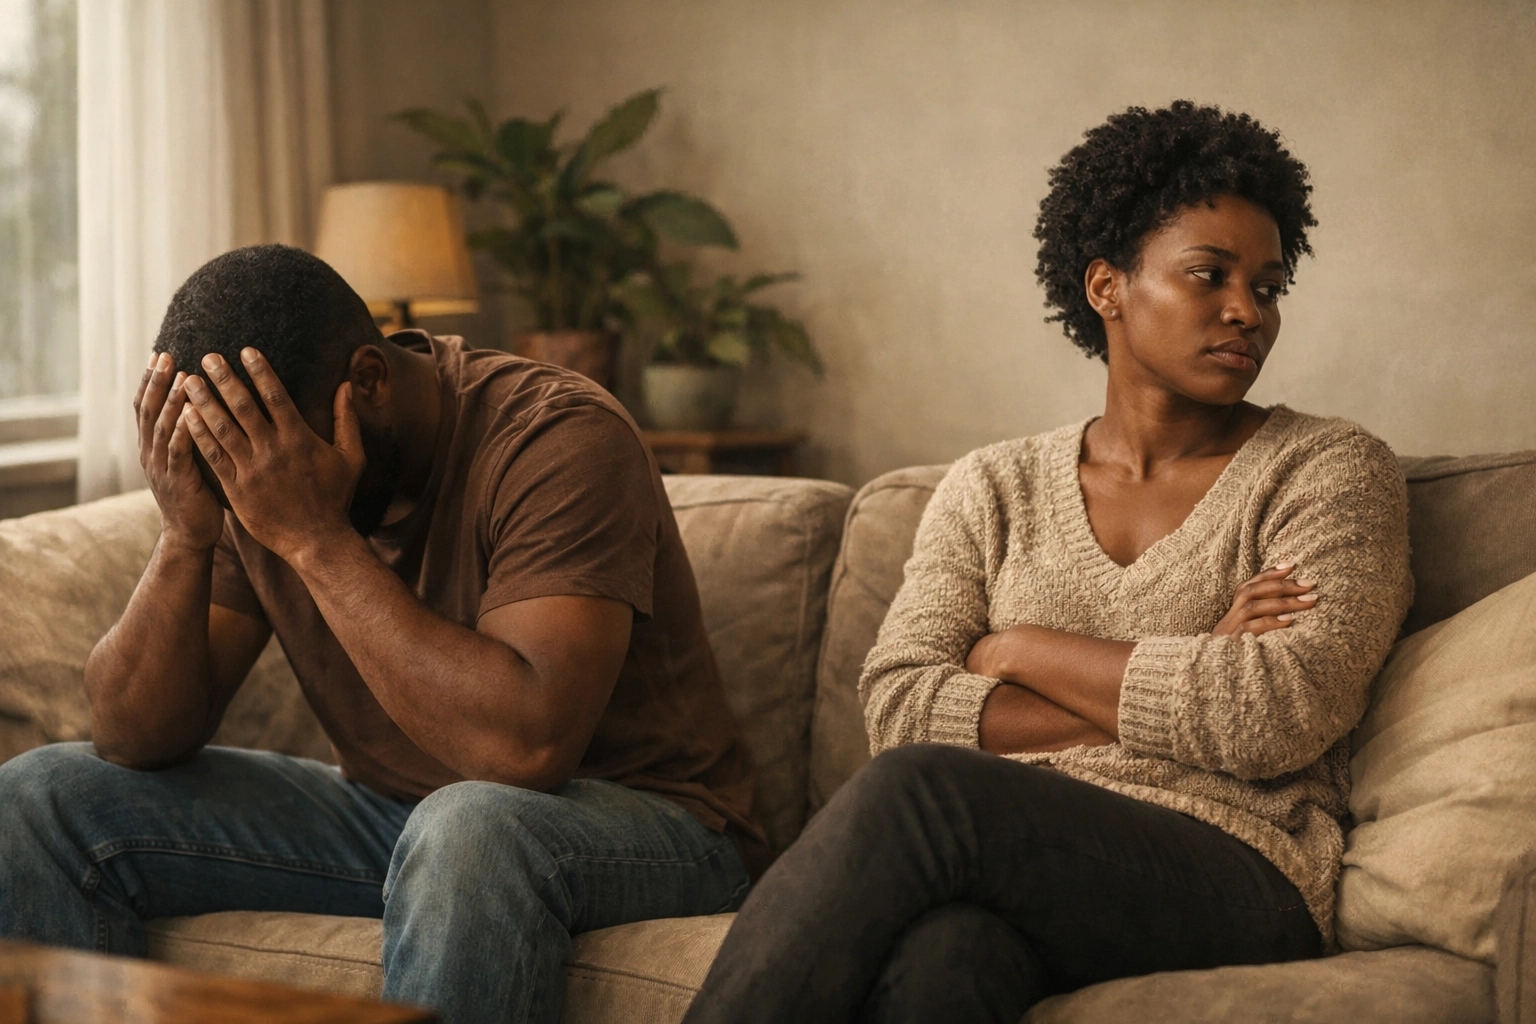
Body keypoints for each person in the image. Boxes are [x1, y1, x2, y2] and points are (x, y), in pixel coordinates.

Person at [681, 100, 1413, 1023]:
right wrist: (1186, 666)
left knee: (923, 794)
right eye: (1209, 274)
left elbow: (1269, 712)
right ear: (1107, 287)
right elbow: (902, 706)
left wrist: (1014, 648)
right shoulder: (991, 486)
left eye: (1267, 286)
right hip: (1021, 865)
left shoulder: (1328, 469)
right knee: (948, 958)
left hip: (1240, 869)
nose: (1247, 312)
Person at [0, 245, 767, 1024]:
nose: (250, 489)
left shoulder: (557, 436)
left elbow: (525, 751)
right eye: (228, 467)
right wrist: (184, 537)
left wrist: (314, 538)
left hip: (656, 825)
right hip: (401, 818)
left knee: (469, 827)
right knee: (41, 796)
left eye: (262, 467)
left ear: (367, 380)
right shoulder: (257, 469)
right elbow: (133, 738)